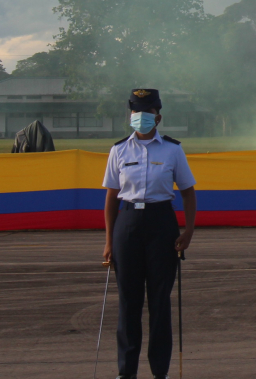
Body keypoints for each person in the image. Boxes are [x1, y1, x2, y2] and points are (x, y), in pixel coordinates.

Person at [102, 89, 197, 379]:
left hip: (161, 223)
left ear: (158, 116)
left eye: (147, 112)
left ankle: (160, 372)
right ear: (129, 115)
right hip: (127, 224)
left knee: (159, 300)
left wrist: (189, 230)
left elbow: (188, 192)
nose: (140, 117)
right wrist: (108, 241)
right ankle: (126, 372)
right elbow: (111, 197)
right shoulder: (119, 150)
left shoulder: (172, 150)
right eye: (135, 112)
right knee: (129, 301)